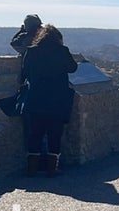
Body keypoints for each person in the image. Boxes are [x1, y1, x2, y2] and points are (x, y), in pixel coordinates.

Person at [20, 24, 78, 177]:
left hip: (36, 98)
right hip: (57, 100)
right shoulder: (62, 51)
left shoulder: (31, 51)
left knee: (35, 134)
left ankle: (32, 169)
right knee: (55, 134)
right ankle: (52, 169)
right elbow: (73, 68)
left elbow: (24, 72)